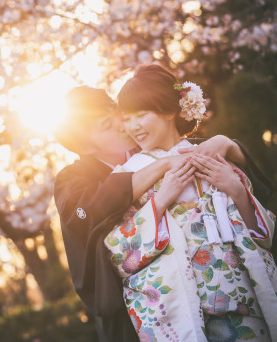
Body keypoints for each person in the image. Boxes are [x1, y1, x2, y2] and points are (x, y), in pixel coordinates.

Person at [54, 85, 262, 341]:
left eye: (120, 115)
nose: (123, 125)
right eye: (108, 125)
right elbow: (90, 210)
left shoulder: (160, 145)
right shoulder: (72, 179)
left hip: (219, 292)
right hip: (143, 307)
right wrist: (163, 168)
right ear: (85, 147)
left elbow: (251, 180)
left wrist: (226, 143)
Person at [104, 64, 277, 341]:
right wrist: (161, 200)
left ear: (170, 110)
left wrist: (235, 188)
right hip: (183, 311)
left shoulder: (212, 154)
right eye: (127, 118)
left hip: (243, 303)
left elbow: (264, 235)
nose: (132, 126)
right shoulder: (130, 175)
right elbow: (119, 251)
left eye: (141, 114)